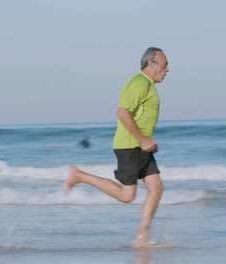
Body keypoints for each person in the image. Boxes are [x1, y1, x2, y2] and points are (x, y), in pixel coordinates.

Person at [64, 47, 169, 247]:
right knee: (127, 195)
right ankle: (79, 176)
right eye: (164, 65)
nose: (168, 70)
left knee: (156, 188)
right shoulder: (139, 83)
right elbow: (122, 112)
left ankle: (142, 237)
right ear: (151, 64)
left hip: (140, 147)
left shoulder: (147, 84)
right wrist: (143, 140)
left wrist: (145, 141)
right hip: (131, 146)